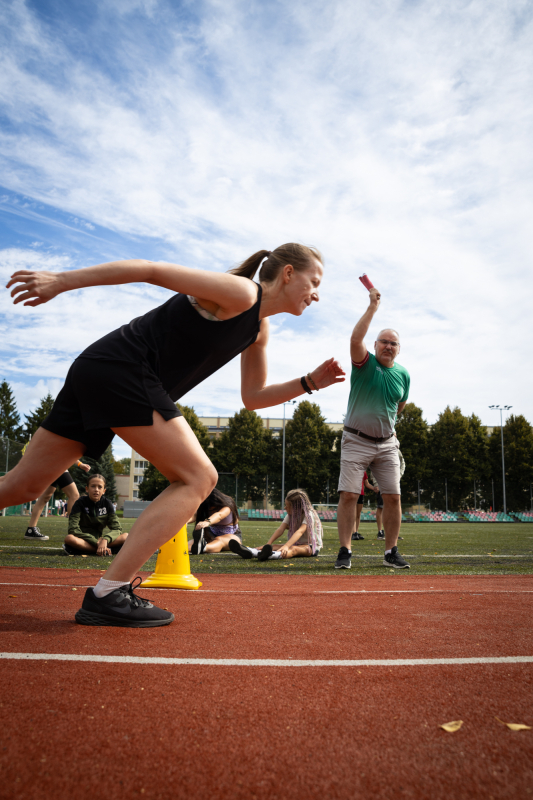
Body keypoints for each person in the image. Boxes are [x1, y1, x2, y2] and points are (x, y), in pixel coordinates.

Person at [3, 244, 345, 627]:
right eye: (313, 281)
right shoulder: (243, 293)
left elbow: (254, 398)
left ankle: (109, 591)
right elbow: (152, 270)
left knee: (22, 487)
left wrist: (309, 383)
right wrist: (60, 281)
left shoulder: (258, 329)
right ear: (286, 273)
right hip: (123, 368)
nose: (317, 293)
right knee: (199, 478)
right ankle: (109, 592)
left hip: (99, 370)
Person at [335, 286, 410, 570]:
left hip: (387, 443)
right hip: (356, 440)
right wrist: (372, 307)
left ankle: (391, 551)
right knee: (349, 495)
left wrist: (385, 425)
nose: (388, 346)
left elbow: (399, 405)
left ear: (398, 349)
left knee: (393, 496)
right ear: (376, 345)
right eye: (384, 342)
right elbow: (355, 338)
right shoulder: (364, 363)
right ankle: (345, 550)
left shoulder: (403, 374)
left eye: (393, 343)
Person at [229, 488, 322, 561]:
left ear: (296, 507)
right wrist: (268, 544)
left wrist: (286, 546)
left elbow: (300, 531)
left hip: (311, 547)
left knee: (294, 549)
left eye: (287, 506)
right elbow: (280, 530)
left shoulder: (309, 514)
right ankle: (252, 551)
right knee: (275, 546)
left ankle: (271, 556)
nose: (285, 508)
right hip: (298, 543)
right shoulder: (291, 515)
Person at [24, 460, 91, 540]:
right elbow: (67, 452)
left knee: (45, 497)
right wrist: (80, 464)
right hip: (58, 464)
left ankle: (31, 530)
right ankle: (75, 531)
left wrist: (80, 464)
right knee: (74, 495)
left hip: (50, 464)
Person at [63, 474, 127, 556]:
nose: (96, 490)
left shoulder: (107, 503)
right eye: (93, 486)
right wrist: (95, 542)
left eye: (100, 487)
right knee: (69, 538)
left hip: (100, 540)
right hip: (83, 540)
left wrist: (105, 540)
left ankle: (88, 550)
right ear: (87, 489)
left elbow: (117, 528)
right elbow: (73, 529)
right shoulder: (80, 503)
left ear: (104, 491)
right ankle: (105, 550)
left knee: (126, 536)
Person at [189, 488, 241, 554]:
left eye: (214, 508)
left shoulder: (228, 505)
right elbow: (195, 515)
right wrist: (184, 522)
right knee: (194, 542)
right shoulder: (205, 505)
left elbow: (219, 515)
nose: (212, 511)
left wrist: (207, 522)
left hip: (232, 535)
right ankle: (180, 549)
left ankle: (202, 548)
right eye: (210, 509)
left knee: (220, 540)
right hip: (211, 534)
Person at [368, 448, 405, 540]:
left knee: (394, 507)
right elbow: (373, 465)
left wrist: (399, 474)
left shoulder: (397, 450)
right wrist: (376, 483)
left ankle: (393, 533)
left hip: (393, 482)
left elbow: (402, 463)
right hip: (381, 482)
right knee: (381, 507)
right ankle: (380, 532)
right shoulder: (380, 448)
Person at [351, 471, 375, 541]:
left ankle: (356, 532)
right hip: (353, 493)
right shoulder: (352, 470)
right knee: (354, 514)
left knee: (358, 515)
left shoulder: (364, 472)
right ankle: (354, 533)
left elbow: (367, 484)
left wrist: (374, 488)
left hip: (361, 494)